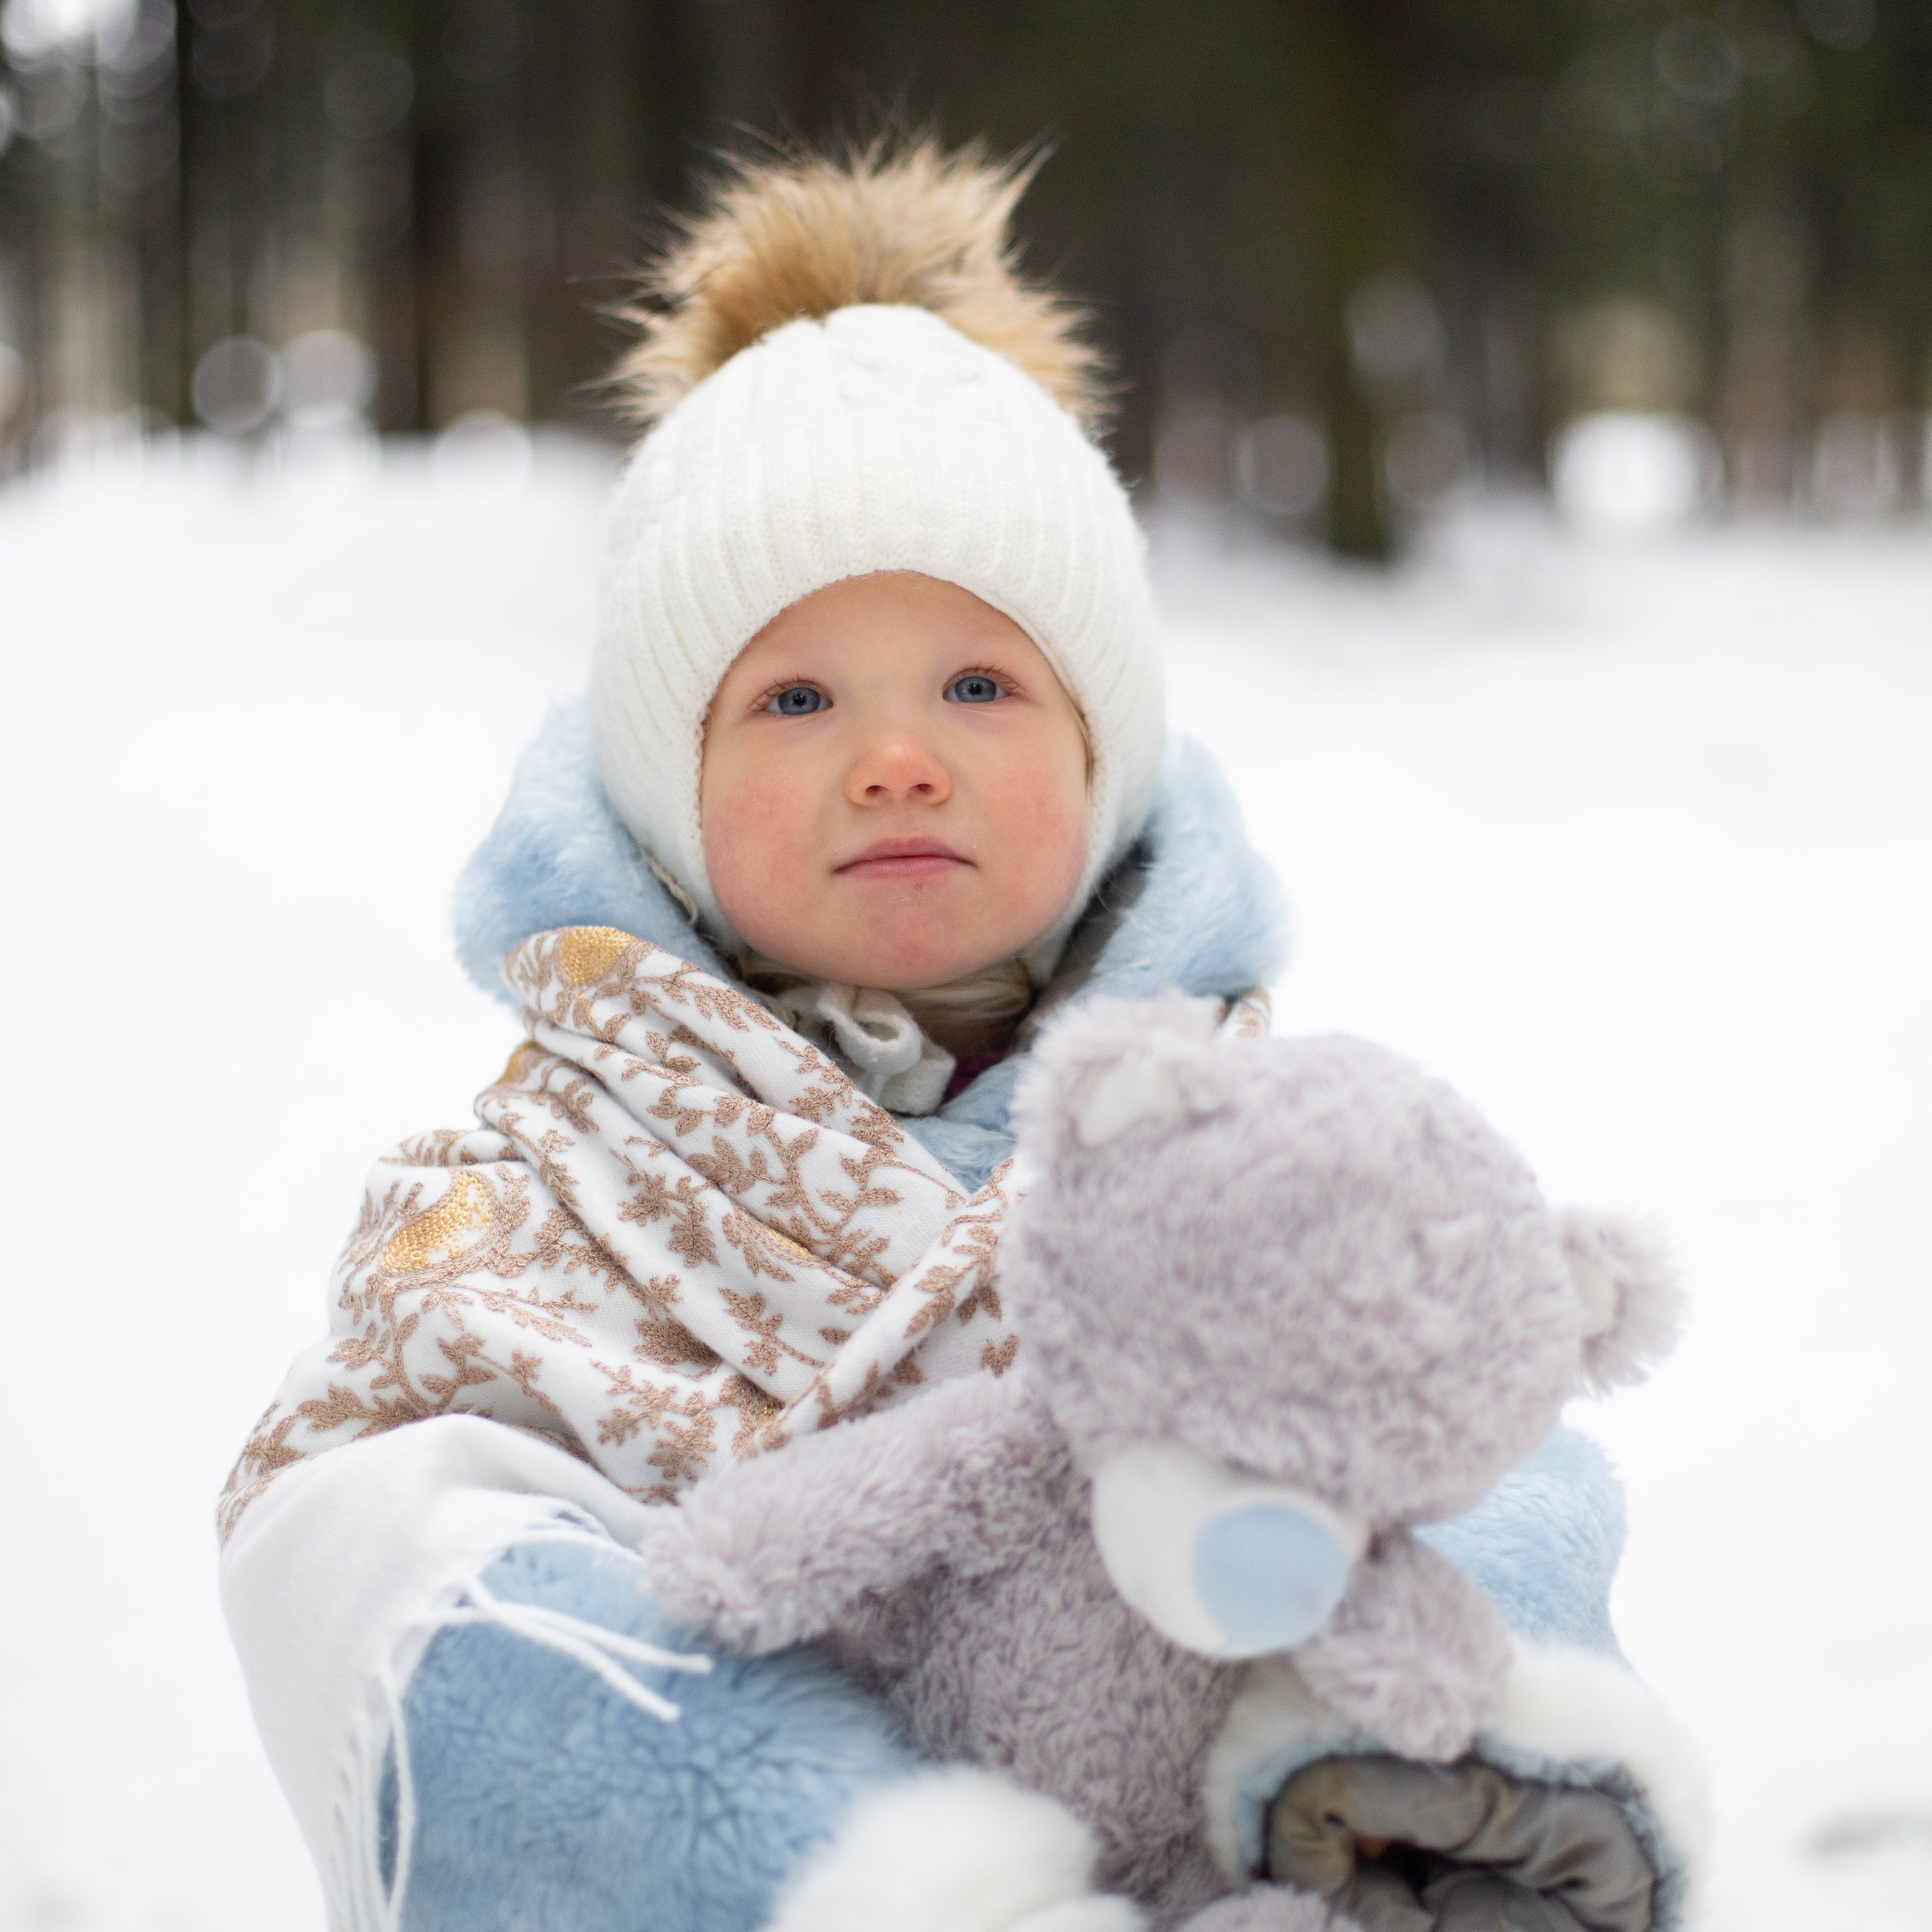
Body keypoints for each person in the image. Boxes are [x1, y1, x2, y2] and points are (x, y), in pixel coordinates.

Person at [218, 138, 1706, 1932]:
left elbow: (1474, 1432)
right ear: (663, 788)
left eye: (982, 684)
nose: (897, 756)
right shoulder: (537, 1191)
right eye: (792, 695)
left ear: (1101, 752)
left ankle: (1428, 1817)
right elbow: (378, 1554)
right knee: (399, 1535)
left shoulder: (1250, 1143)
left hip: (1217, 1873)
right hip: (784, 1881)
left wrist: (1444, 1715)